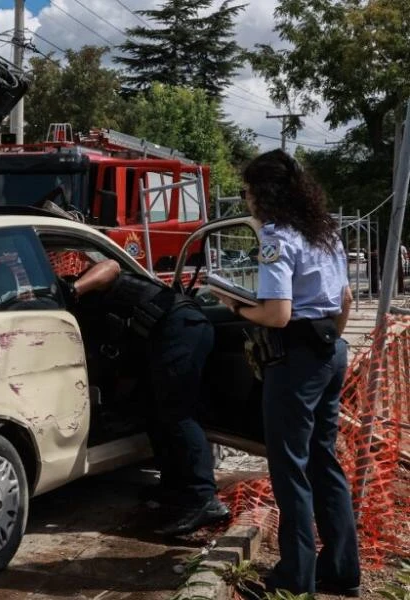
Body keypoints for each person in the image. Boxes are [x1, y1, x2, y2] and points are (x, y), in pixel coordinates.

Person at [213, 149, 359, 597]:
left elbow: (277, 314)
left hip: (294, 361)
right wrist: (326, 344)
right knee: (323, 463)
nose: (247, 200)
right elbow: (347, 300)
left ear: (264, 194)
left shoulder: (277, 238)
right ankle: (341, 572)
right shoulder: (325, 232)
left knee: (289, 467)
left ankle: (295, 578)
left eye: (248, 191)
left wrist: (232, 302)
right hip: (329, 353)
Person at [65, 257, 229, 536]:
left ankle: (204, 498)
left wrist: (74, 288)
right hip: (165, 336)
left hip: (180, 326)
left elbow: (112, 265)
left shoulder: (87, 288)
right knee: (155, 413)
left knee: (177, 413)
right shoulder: (93, 320)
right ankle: (175, 488)